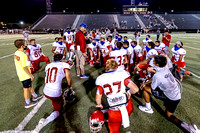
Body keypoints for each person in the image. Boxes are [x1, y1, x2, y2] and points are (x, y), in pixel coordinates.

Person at [138, 55, 200, 133]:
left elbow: (153, 87)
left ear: (157, 64)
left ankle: (148, 108)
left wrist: (145, 83)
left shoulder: (157, 75)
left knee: (145, 88)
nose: (153, 62)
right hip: (176, 95)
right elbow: (158, 74)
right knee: (168, 114)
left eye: (154, 61)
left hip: (170, 97)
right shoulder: (166, 67)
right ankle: (189, 128)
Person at [33, 54, 74, 133]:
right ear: (62, 59)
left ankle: (55, 106)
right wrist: (69, 87)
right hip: (55, 92)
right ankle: (45, 121)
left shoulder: (48, 66)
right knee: (58, 110)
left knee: (55, 100)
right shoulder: (64, 65)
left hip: (46, 91)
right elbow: (68, 76)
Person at [95, 59, 139, 133]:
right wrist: (129, 92)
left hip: (114, 111)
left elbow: (98, 97)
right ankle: (122, 120)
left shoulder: (100, 79)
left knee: (114, 129)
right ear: (116, 67)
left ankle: (119, 121)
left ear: (106, 67)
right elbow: (136, 89)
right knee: (126, 109)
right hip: (127, 107)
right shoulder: (123, 74)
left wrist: (99, 104)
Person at [14, 39, 42, 108]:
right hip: (25, 75)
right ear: (22, 46)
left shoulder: (16, 53)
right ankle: (27, 103)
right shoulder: (23, 55)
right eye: (25, 44)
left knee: (30, 86)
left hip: (20, 73)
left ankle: (34, 96)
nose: (26, 45)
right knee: (26, 88)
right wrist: (30, 75)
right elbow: (25, 67)